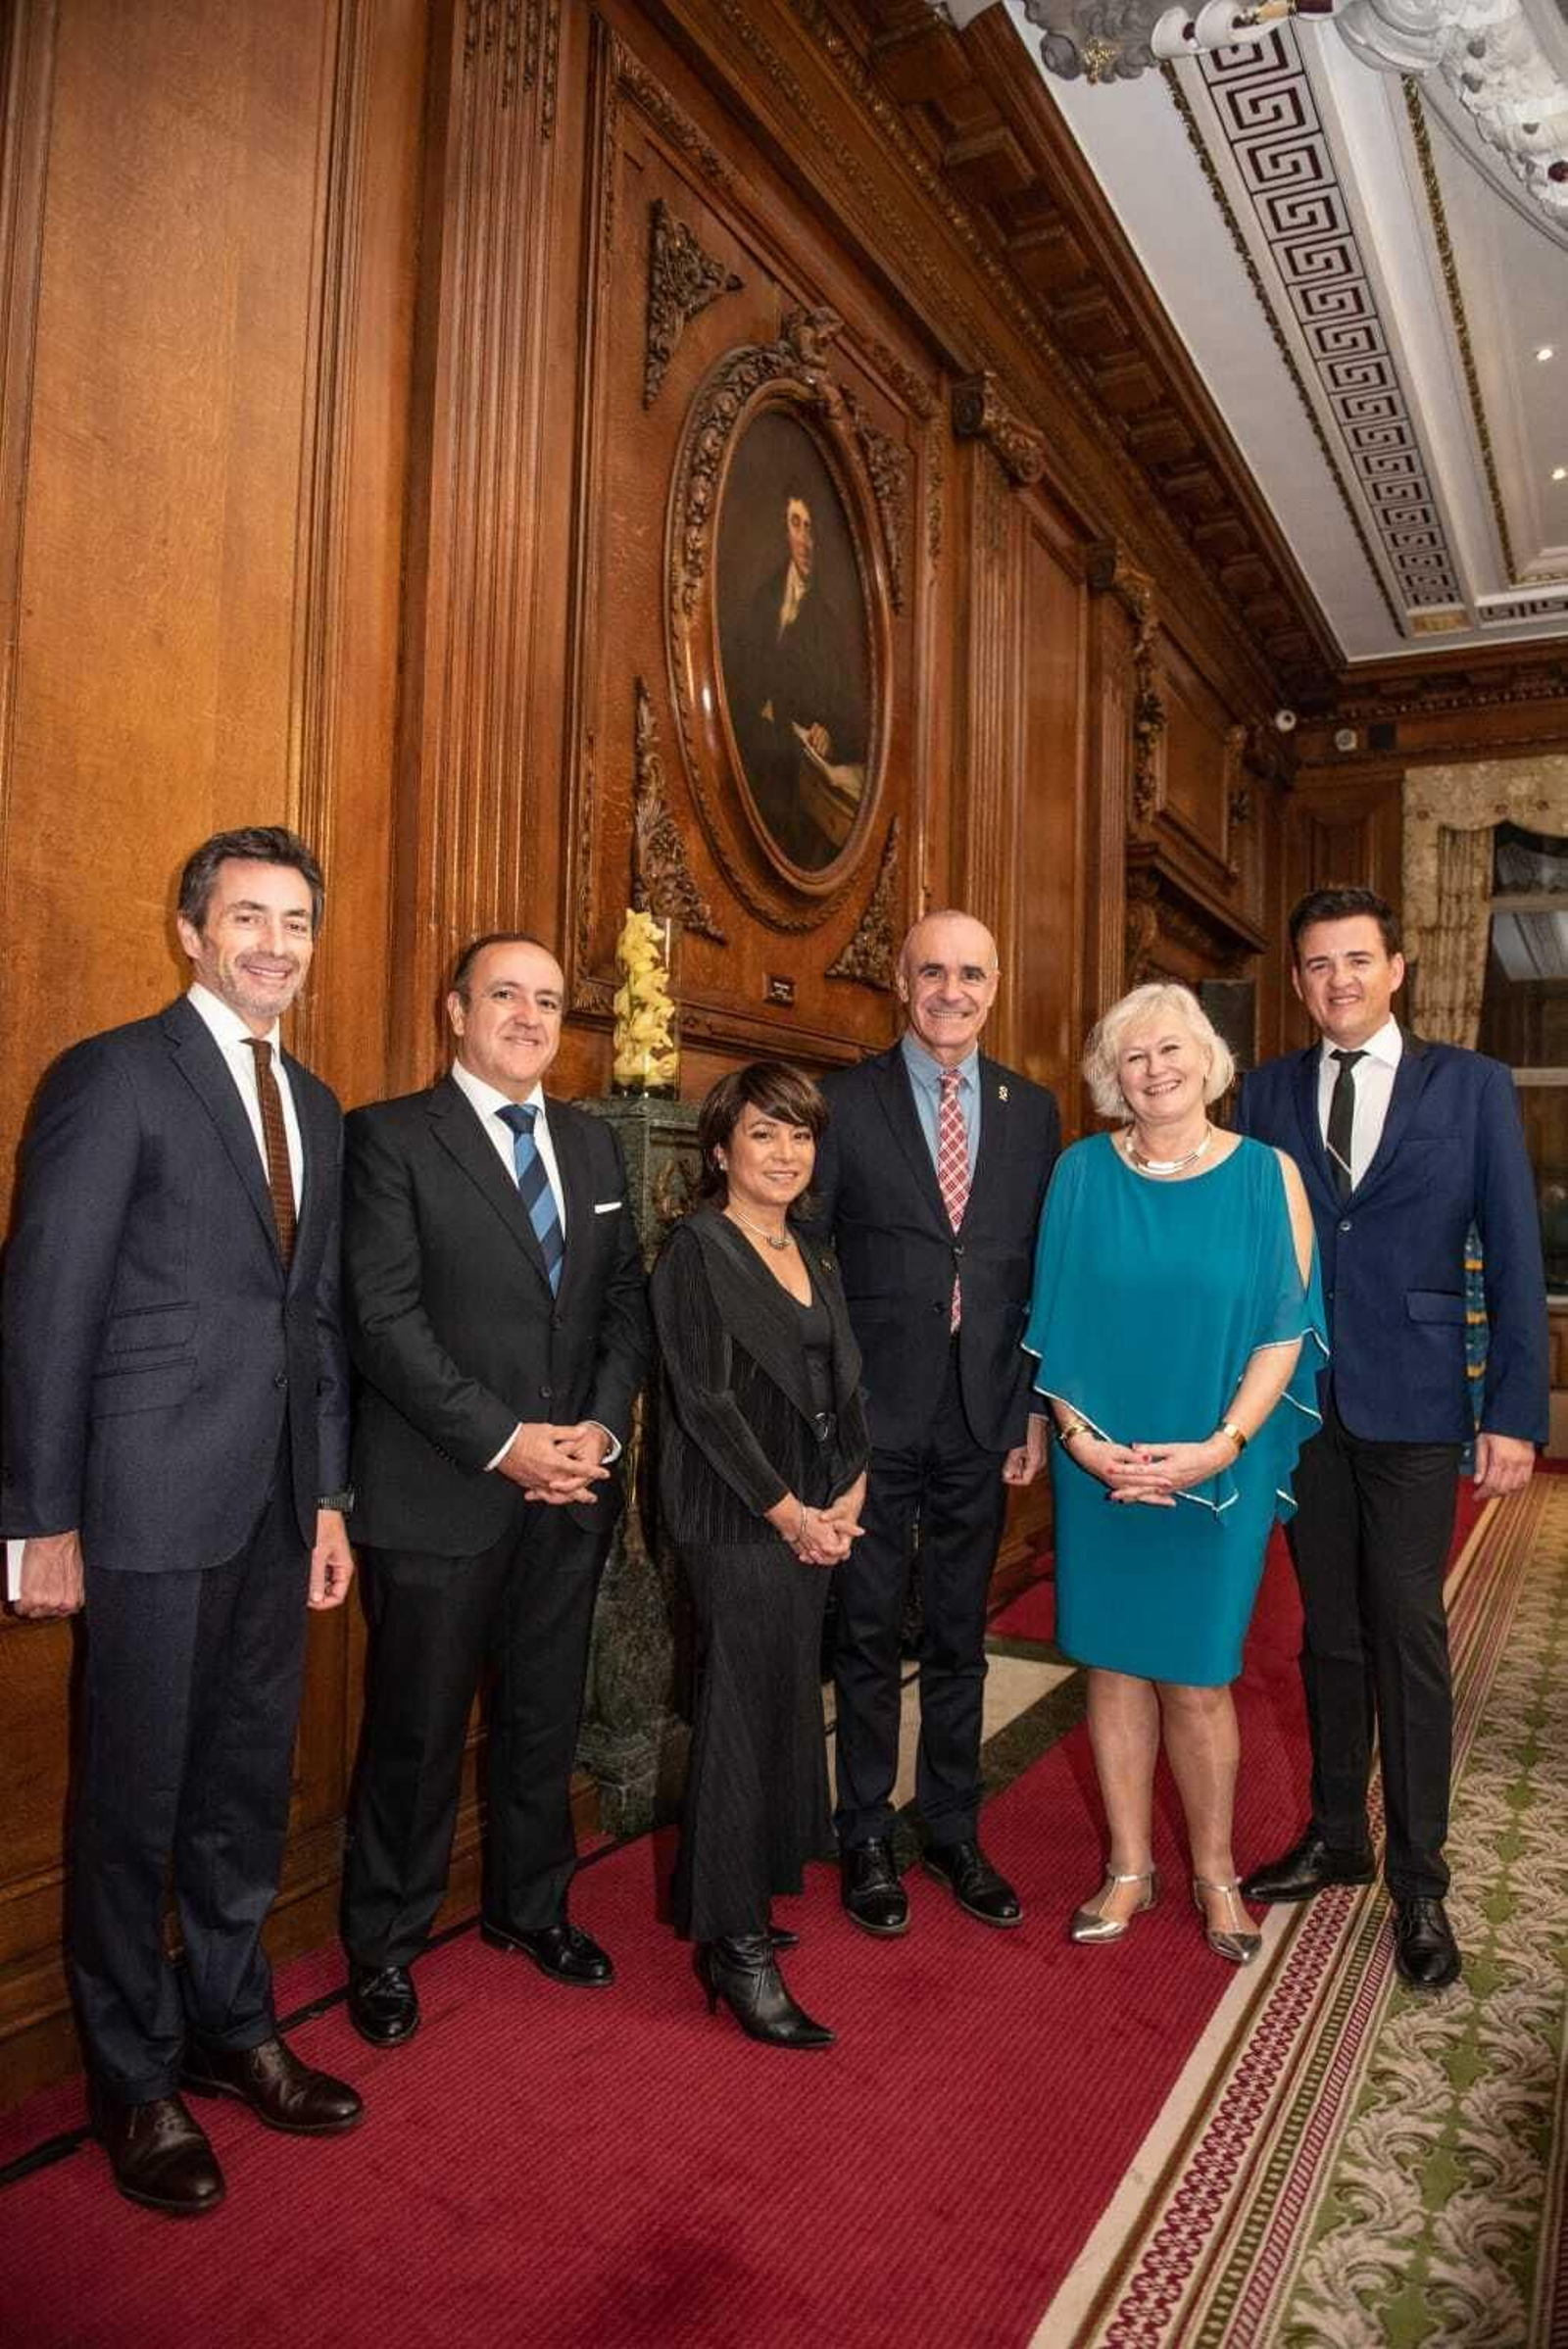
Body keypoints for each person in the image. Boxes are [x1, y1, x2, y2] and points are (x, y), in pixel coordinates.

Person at [1, 827, 362, 2217]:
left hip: (275, 1506)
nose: (275, 944)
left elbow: (311, 1322)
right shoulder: (111, 1075)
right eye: (248, 917)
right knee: (134, 1802)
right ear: (191, 928)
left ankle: (228, 2022)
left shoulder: (317, 1105)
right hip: (143, 1503)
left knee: (238, 1794)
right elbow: (46, 1304)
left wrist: (328, 1497)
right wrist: (40, 1517)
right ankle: (131, 2079)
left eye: (296, 922)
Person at [339, 933, 650, 2048]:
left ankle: (532, 1910)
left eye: (549, 1000)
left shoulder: (592, 1145)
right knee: (415, 1733)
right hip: (439, 1490)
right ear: (455, 1008)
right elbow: (383, 1322)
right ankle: (384, 1945)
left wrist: (599, 1435)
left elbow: (623, 1306)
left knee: (543, 1715)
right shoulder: (386, 1138)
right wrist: (506, 1440)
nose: (528, 1016)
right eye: (505, 995)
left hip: (573, 1489)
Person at [1237, 886, 1547, 1988]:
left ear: (1399, 967)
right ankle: (1335, 1833)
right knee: (1325, 1630)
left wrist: (1513, 1410)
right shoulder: (1264, 1092)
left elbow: (1512, 1253)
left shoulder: (1469, 1088)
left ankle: (1421, 1880)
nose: (1340, 982)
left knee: (1406, 1629)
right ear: (1297, 980)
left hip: (1419, 1400)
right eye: (1319, 965)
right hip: (1299, 1400)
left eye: (1358, 961)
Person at [1023, 984, 1325, 1961]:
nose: (1154, 1069)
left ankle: (1213, 1873)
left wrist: (1221, 1445)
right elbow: (1053, 1322)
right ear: (1113, 1075)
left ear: (1208, 1060)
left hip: (1215, 1461)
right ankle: (1126, 1867)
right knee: (1111, 1669)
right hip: (1099, 1458)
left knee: (1197, 1678)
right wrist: (1078, 1441)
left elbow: (1286, 1327)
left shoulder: (1264, 1176)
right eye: (1133, 1056)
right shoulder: (1078, 1173)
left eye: (1170, 1050)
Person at [806, 909, 1059, 1936]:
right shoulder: (840, 1103)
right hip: (872, 1414)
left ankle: (952, 1828)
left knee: (960, 1633)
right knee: (865, 1634)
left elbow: (1042, 1271)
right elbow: (810, 1267)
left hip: (983, 1413)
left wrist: (1033, 1409)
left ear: (994, 987)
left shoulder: (1034, 1112)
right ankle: (864, 1831)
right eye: (931, 973)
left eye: (970, 974)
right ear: (900, 984)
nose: (950, 991)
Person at [650, 1064, 870, 2048]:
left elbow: (845, 1381)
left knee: (785, 1701)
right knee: (740, 1714)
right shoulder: (698, 1250)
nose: (785, 1154)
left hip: (811, 1512)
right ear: (720, 1150)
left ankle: (745, 1892)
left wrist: (850, 1492)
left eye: (799, 1135)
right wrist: (790, 1512)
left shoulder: (810, 1249)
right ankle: (734, 1949)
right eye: (764, 1136)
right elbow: (703, 1404)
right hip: (735, 1517)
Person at [724, 483, 867, 869]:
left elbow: (851, 715)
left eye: (810, 528)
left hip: (805, 779)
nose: (805, 540)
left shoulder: (828, 623)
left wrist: (830, 734)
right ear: (782, 532)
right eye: (796, 525)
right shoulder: (761, 602)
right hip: (757, 764)